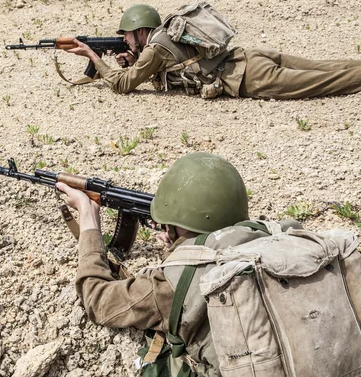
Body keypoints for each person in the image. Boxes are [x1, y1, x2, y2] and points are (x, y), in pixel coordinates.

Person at [56, 152, 303, 376]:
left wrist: (88, 216)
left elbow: (98, 300)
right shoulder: (279, 235)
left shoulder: (170, 286)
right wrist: (185, 245)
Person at [65, 4, 361, 100]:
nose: (126, 42)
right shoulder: (167, 36)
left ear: (140, 30)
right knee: (334, 65)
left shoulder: (156, 45)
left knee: (331, 80)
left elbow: (125, 85)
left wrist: (93, 58)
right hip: (251, 57)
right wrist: (131, 60)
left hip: (249, 77)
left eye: (128, 37)